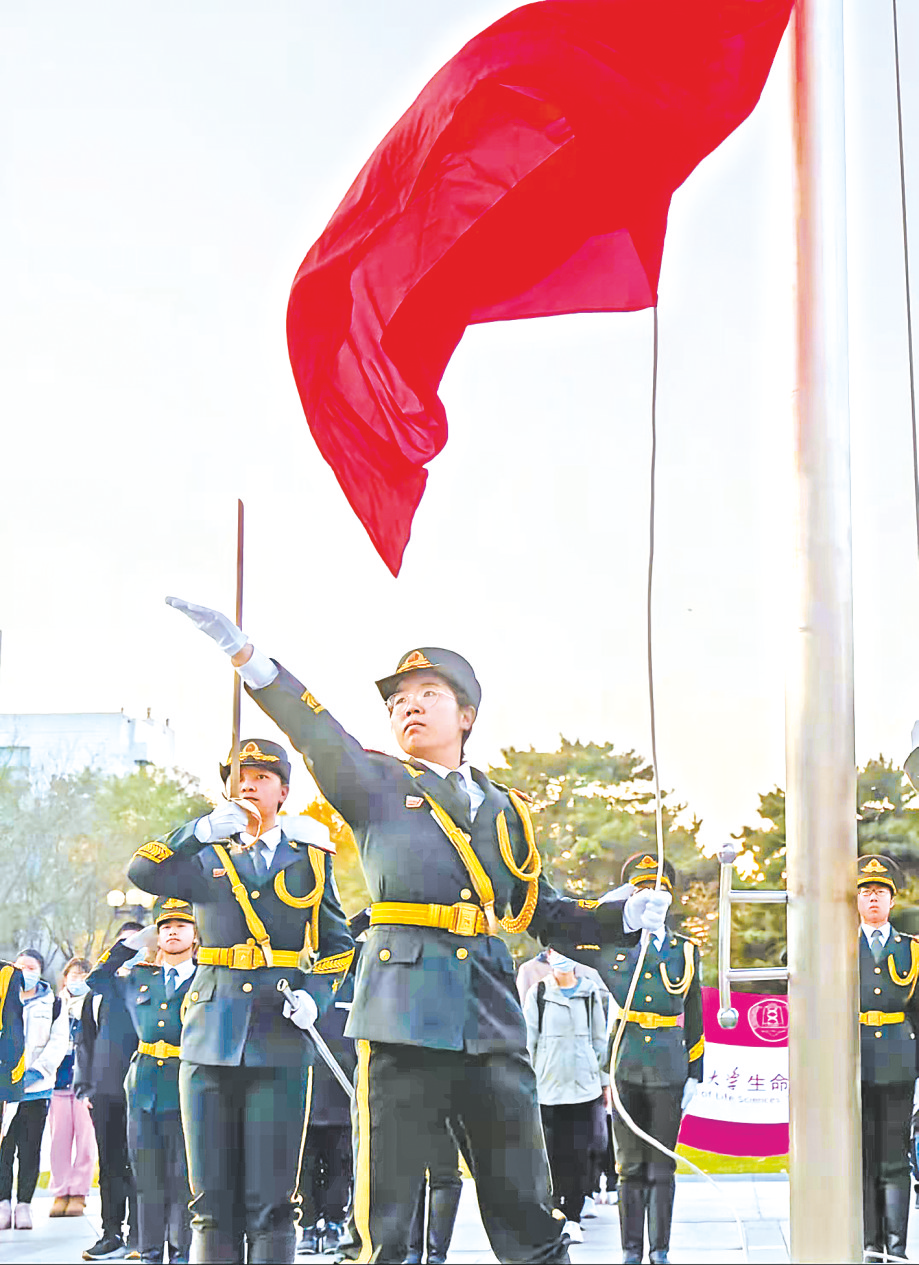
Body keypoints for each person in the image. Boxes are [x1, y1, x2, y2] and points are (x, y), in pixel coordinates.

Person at [164, 597, 672, 1265]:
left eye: (428, 693)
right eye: (399, 698)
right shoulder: (373, 783)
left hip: (489, 1016)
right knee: (386, 1217)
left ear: (465, 715)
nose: (409, 706)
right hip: (401, 1016)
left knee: (525, 1204)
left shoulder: (504, 810)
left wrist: (619, 916)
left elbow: (540, 910)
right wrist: (249, 659)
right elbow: (315, 732)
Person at [127, 736, 354, 1265]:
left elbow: (337, 947)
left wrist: (316, 997)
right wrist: (197, 831)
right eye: (239, 776)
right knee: (209, 1201)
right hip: (208, 1037)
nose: (248, 783)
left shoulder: (310, 861)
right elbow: (141, 871)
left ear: (284, 791)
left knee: (273, 1203)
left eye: (262, 776)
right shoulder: (203, 854)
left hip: (279, 1036)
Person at [599, 854, 703, 1265]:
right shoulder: (612, 949)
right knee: (629, 1168)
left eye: (658, 891)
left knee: (661, 1166)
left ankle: (659, 1251)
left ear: (670, 899)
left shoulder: (685, 951)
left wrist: (695, 1072)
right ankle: (630, 1251)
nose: (651, 899)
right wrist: (615, 908)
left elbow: (694, 1018)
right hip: (626, 1066)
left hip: (667, 1067)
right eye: (641, 891)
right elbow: (567, 943)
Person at [87, 898, 198, 1264]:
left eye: (181, 925)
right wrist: (128, 945)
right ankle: (150, 1252)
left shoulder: (207, 976)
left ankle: (181, 1253)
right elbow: (97, 979)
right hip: (144, 1085)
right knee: (146, 1178)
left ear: (196, 936)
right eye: (165, 926)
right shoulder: (138, 978)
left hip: (187, 1085)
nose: (172, 931)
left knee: (182, 1180)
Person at [855, 854, 919, 1261]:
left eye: (880, 892)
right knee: (862, 1158)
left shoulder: (911, 949)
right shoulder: (839, 947)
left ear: (892, 901)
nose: (874, 899)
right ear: (857, 901)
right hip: (854, 1061)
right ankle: (868, 1244)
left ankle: (895, 1248)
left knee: (894, 1158)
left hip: (898, 1060)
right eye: (866, 892)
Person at [523, 949, 610, 1245]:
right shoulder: (538, 993)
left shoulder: (589, 993)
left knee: (580, 1154)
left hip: (584, 1087)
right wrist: (529, 1083)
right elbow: (528, 1042)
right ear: (547, 956)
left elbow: (600, 1039)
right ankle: (554, 1212)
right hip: (548, 1088)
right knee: (551, 1155)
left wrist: (604, 1082)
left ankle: (573, 1216)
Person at [76, 921, 142, 1261]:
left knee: (143, 1165)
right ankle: (111, 1232)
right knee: (111, 1164)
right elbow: (85, 1042)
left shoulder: (149, 986)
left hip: (144, 1088)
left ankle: (141, 1233)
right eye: (125, 949)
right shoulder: (105, 988)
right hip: (106, 1090)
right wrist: (86, 1085)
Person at [0, 949, 68, 1231]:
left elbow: (58, 1041)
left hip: (36, 1088)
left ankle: (24, 1204)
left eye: (31, 967)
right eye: (20, 966)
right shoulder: (4, 998)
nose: (25, 971)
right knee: (4, 1148)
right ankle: (2, 1202)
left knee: (30, 1148)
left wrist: (36, 1071)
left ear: (40, 971)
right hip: (5, 1089)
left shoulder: (53, 1003)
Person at [296, 967, 357, 1258]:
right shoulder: (300, 984)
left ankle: (334, 1222)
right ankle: (307, 1225)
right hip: (305, 1091)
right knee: (304, 1167)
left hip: (342, 1094)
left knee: (340, 1165)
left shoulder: (355, 987)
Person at [48, 957, 98, 1220]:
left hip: (85, 1082)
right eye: (73, 974)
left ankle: (79, 1192)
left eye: (83, 975)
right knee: (59, 1140)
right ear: (64, 977)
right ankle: (60, 1191)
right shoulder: (53, 1005)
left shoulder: (95, 1004)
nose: (77, 979)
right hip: (56, 1080)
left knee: (86, 1140)